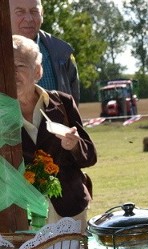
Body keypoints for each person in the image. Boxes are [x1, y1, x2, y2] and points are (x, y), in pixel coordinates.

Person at [13, 35, 96, 231]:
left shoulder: (63, 102)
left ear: (38, 71)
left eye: (20, 66)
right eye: (6, 66)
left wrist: (75, 145)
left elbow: (90, 157)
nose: (12, 72)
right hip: (23, 216)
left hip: (70, 209)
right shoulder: (2, 113)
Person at [9, 0, 80, 104]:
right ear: (4, 14)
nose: (29, 19)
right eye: (20, 12)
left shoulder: (63, 53)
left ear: (42, 14)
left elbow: (72, 107)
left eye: (34, 11)